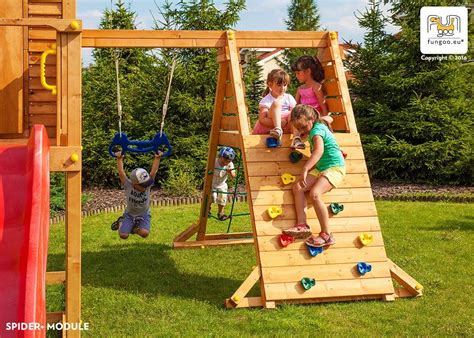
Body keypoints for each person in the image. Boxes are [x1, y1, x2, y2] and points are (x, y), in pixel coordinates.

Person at [283, 104, 346, 248]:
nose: (301, 131)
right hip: (321, 168)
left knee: (315, 194)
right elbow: (327, 120)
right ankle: (302, 225)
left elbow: (318, 151)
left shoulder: (317, 131)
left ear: (311, 119)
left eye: (304, 127)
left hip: (334, 167)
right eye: (299, 129)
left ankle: (327, 234)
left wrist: (305, 168)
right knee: (298, 188)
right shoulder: (315, 126)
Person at [111, 151, 162, 239]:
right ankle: (121, 221)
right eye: (143, 185)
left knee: (145, 234)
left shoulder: (148, 185)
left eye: (147, 184)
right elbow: (121, 172)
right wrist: (119, 159)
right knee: (123, 235)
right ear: (134, 183)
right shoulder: (128, 185)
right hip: (130, 215)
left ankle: (133, 228)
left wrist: (157, 158)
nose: (146, 187)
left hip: (144, 214)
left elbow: (154, 171)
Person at [291, 55, 333, 149]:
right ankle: (297, 139)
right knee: (293, 116)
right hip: (304, 117)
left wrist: (325, 126)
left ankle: (300, 135)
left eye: (298, 73)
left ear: (308, 71)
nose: (296, 76)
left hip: (314, 118)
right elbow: (295, 106)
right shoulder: (300, 89)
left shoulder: (316, 87)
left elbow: (323, 107)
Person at [252, 69, 297, 141]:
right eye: (279, 85)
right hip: (271, 126)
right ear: (270, 84)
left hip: (287, 125)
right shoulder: (266, 100)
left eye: (285, 85)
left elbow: (294, 114)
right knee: (276, 103)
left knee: (295, 112)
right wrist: (280, 123)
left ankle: (296, 137)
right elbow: (262, 119)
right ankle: (278, 129)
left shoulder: (289, 97)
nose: (282, 88)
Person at [210, 147, 237, 221]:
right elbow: (207, 171)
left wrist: (230, 172)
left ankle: (221, 213)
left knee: (222, 198)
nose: (225, 163)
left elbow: (234, 176)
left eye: (228, 161)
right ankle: (207, 210)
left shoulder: (230, 164)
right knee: (212, 197)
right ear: (220, 156)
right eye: (224, 160)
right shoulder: (214, 161)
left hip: (222, 184)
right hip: (212, 183)